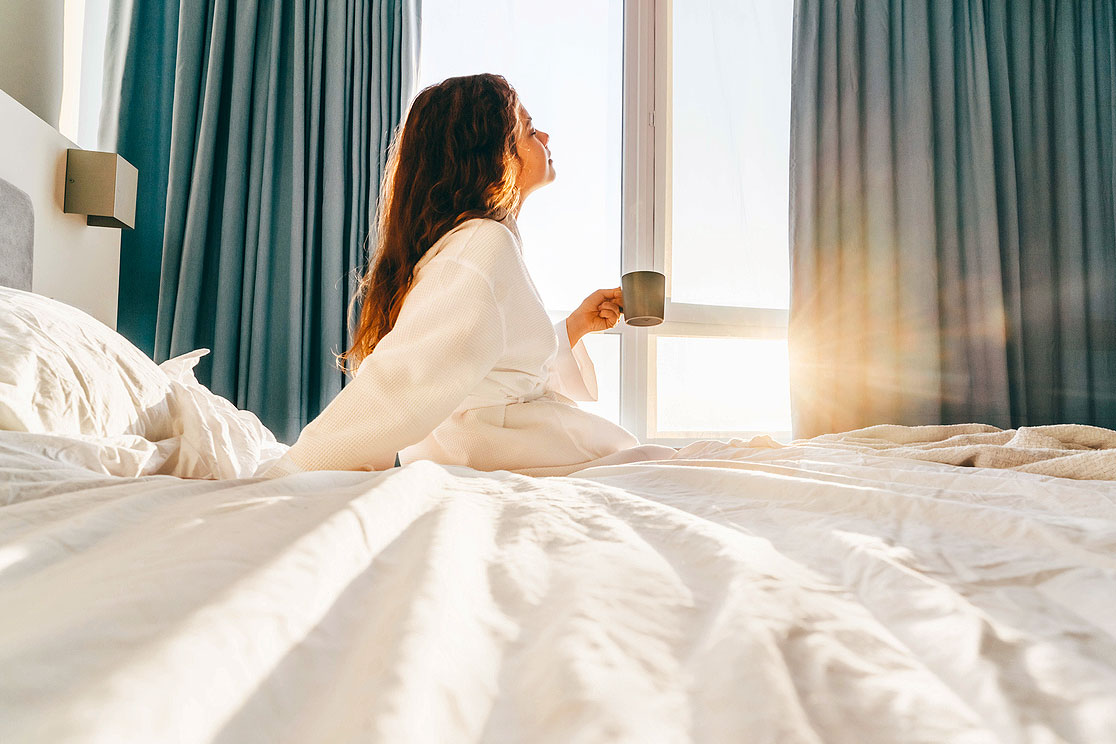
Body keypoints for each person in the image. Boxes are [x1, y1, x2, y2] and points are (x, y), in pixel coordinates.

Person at [266, 73, 673, 477]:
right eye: (529, 130)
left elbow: (494, 374)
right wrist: (289, 472)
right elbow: (406, 382)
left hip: (508, 456)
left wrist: (571, 329)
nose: (545, 137)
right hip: (503, 461)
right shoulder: (481, 244)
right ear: (494, 155)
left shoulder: (475, 243)